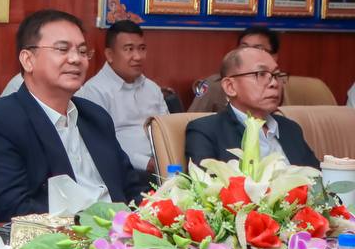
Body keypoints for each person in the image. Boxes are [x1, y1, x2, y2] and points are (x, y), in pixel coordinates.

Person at [0, 10, 148, 222]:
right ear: (28, 60)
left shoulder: (96, 117)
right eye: (62, 49)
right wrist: (95, 225)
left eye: (82, 51)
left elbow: (132, 190)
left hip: (125, 234)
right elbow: (11, 209)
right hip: (64, 237)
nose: (76, 59)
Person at [185, 47, 318, 168]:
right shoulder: (206, 131)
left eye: (277, 75)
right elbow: (206, 184)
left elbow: (318, 179)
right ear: (230, 87)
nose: (274, 83)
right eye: (261, 74)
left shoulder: (290, 128)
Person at [77, 21, 168, 175]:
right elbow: (101, 144)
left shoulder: (152, 88)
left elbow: (167, 129)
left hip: (162, 164)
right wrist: (145, 163)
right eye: (129, 49)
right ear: (110, 55)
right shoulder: (94, 91)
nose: (138, 56)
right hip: (125, 171)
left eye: (142, 49)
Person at [190, 26, 281, 113]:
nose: (249, 53)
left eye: (258, 49)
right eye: (244, 47)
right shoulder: (211, 84)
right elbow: (191, 117)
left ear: (274, 56)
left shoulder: (280, 83)